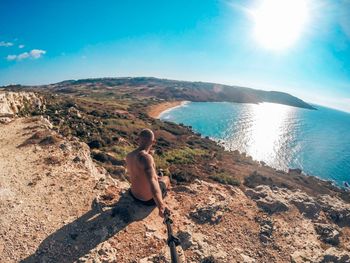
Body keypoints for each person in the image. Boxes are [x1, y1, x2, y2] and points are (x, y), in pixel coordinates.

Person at [126, 128, 170, 217]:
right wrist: (161, 206)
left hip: (133, 194)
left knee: (156, 177)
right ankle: (166, 194)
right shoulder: (146, 157)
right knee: (166, 178)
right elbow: (153, 181)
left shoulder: (129, 156)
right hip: (147, 201)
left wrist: (154, 176)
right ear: (153, 142)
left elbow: (138, 174)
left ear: (137, 140)